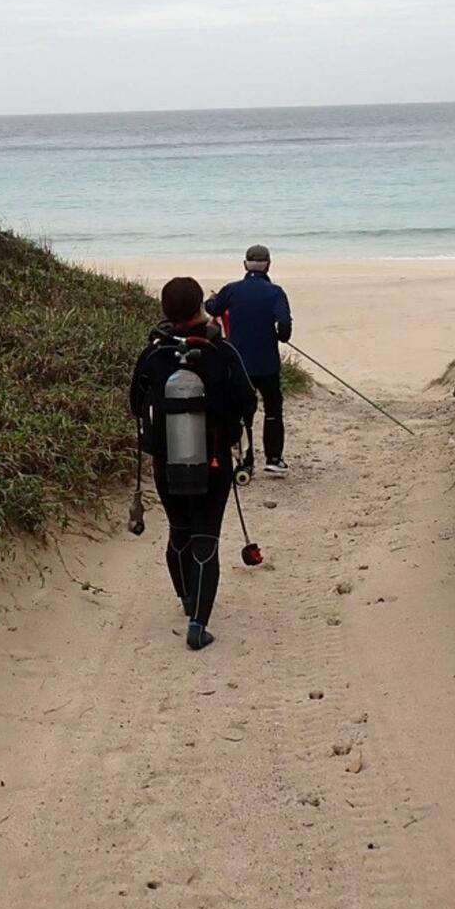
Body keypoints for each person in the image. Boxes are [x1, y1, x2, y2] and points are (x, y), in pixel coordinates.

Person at [128, 276, 257, 650]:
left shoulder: (153, 353)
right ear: (201, 303)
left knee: (179, 529)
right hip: (213, 461)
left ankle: (187, 600)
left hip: (165, 462)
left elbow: (135, 404)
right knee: (206, 537)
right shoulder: (221, 351)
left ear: (165, 310)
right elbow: (247, 402)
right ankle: (198, 624)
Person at [206, 244, 294, 475]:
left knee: (243, 412)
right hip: (267, 363)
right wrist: (281, 336)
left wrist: (212, 298)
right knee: (273, 408)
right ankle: (273, 458)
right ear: (269, 265)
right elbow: (284, 326)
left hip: (239, 363)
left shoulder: (232, 290)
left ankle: (245, 461)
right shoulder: (275, 292)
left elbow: (212, 307)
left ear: (245, 264)